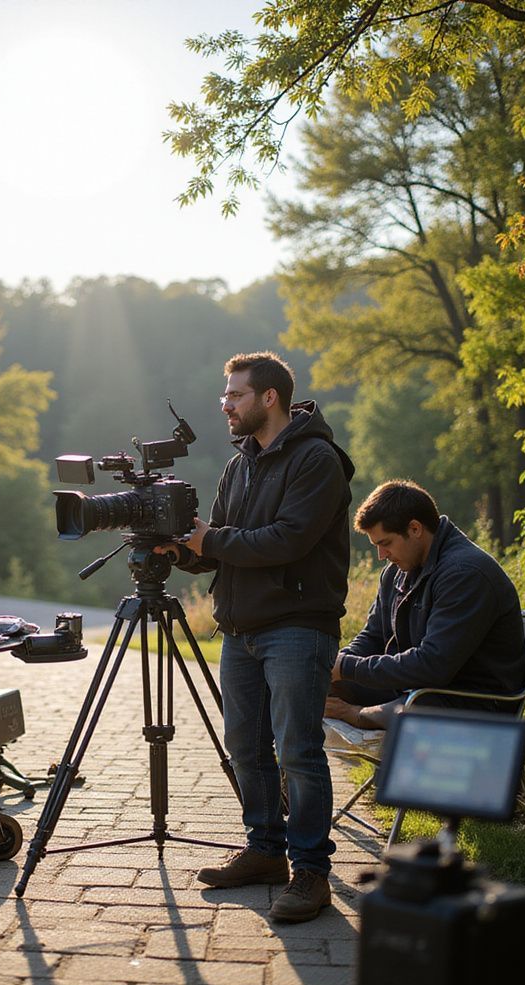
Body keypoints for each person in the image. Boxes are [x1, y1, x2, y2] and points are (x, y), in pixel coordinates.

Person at [159, 351, 354, 923]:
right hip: (240, 627)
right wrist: (180, 549)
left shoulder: (318, 459)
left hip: (297, 626)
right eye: (225, 395)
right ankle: (266, 852)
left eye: (235, 395)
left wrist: (209, 541)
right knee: (246, 748)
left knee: (297, 750)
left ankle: (311, 870)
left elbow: (286, 540)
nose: (225, 404)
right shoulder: (239, 463)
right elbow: (221, 546)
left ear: (270, 397)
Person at [326, 480, 525, 730]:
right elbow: (374, 635)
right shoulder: (396, 572)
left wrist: (349, 678)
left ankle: (360, 718)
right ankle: (297, 765)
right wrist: (337, 662)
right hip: (419, 689)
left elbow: (433, 665)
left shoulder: (465, 574)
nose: (381, 556)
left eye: (385, 543)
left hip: (469, 702)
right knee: (319, 684)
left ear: (414, 529)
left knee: (412, 705)